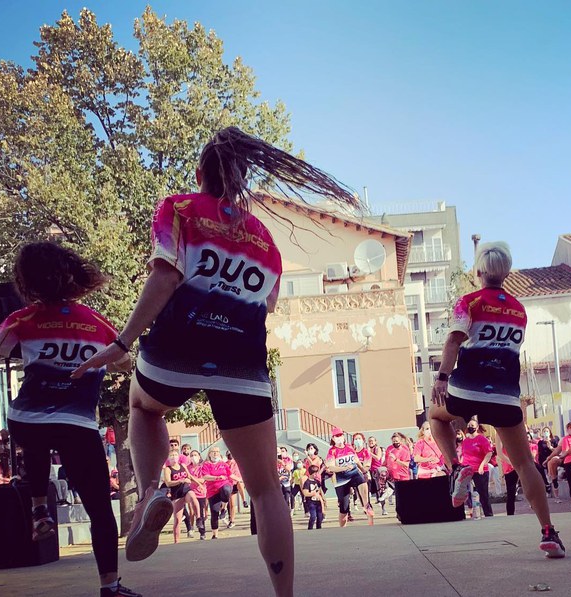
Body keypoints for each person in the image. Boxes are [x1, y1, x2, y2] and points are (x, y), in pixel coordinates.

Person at [72, 126, 359, 597]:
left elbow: (165, 277)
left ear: (200, 174)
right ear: (242, 180)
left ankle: (151, 491)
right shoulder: (265, 239)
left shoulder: (178, 208)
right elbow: (267, 304)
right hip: (242, 362)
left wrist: (123, 342)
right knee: (265, 489)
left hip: (175, 350)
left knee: (143, 406)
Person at [0, 242, 138, 597]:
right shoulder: (97, 322)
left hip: (26, 418)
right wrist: (100, 364)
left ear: (26, 281)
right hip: (76, 424)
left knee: (34, 433)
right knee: (99, 510)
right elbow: (125, 362)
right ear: (73, 275)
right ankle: (110, 586)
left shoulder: (22, 319)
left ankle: (39, 509)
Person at [429, 241, 565, 558]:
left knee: (434, 416)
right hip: (505, 394)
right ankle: (548, 532)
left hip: (466, 388)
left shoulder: (468, 302)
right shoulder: (519, 309)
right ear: (506, 273)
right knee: (524, 464)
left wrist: (442, 377)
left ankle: (456, 468)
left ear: (478, 272)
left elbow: (453, 341)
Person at [326, 427, 374, 527]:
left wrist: (363, 470)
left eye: (340, 435)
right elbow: (331, 467)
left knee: (362, 481)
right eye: (336, 436)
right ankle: (342, 528)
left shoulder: (349, 447)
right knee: (344, 509)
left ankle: (366, 505)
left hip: (354, 473)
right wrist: (344, 468)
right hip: (341, 479)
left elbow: (356, 460)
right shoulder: (332, 451)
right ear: (333, 438)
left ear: (343, 436)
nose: (339, 437)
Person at [162, 449, 197, 543]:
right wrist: (180, 481)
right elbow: (168, 483)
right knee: (177, 519)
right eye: (171, 455)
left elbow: (189, 476)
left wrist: (198, 483)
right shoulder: (168, 469)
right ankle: (176, 541)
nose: (174, 457)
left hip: (185, 491)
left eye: (175, 455)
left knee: (193, 497)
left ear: (179, 457)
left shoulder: (183, 466)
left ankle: (198, 519)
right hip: (176, 494)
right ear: (168, 458)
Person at [461, 422, 494, 517]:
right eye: (468, 425)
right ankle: (467, 512)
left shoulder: (482, 439)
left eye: (472, 425)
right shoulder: (465, 441)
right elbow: (464, 455)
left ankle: (488, 515)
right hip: (467, 470)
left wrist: (482, 465)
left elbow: (489, 453)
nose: (470, 427)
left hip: (479, 470)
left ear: (477, 427)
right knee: (462, 492)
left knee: (483, 494)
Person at [202, 446, 234, 539]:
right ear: (209, 454)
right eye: (213, 451)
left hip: (224, 484)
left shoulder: (223, 464)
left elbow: (230, 475)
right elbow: (205, 476)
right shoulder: (206, 464)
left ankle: (224, 508)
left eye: (217, 451)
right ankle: (215, 534)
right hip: (213, 490)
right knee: (214, 512)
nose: (215, 453)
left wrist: (241, 479)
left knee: (226, 490)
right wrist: (216, 477)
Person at [187, 450, 208, 539]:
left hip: (200, 493)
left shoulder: (202, 467)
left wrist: (191, 479)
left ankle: (202, 532)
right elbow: (185, 477)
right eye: (191, 455)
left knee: (201, 513)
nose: (193, 457)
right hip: (190, 492)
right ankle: (191, 528)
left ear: (199, 457)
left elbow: (202, 480)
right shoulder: (187, 467)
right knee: (193, 511)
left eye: (195, 455)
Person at [537, 426, 560, 499]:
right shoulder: (540, 442)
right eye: (544, 431)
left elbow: (557, 451)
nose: (545, 432)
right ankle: (548, 488)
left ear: (550, 432)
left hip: (551, 459)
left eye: (547, 431)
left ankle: (555, 491)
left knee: (552, 473)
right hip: (543, 460)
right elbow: (540, 452)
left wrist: (550, 447)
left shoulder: (554, 440)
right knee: (542, 473)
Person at [301, 465, 326, 530]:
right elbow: (305, 493)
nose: (316, 474)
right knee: (313, 516)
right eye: (315, 473)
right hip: (311, 502)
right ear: (312, 473)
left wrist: (323, 499)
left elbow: (320, 490)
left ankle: (319, 528)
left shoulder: (317, 482)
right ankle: (310, 528)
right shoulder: (307, 482)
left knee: (320, 517)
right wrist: (313, 493)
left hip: (318, 502)